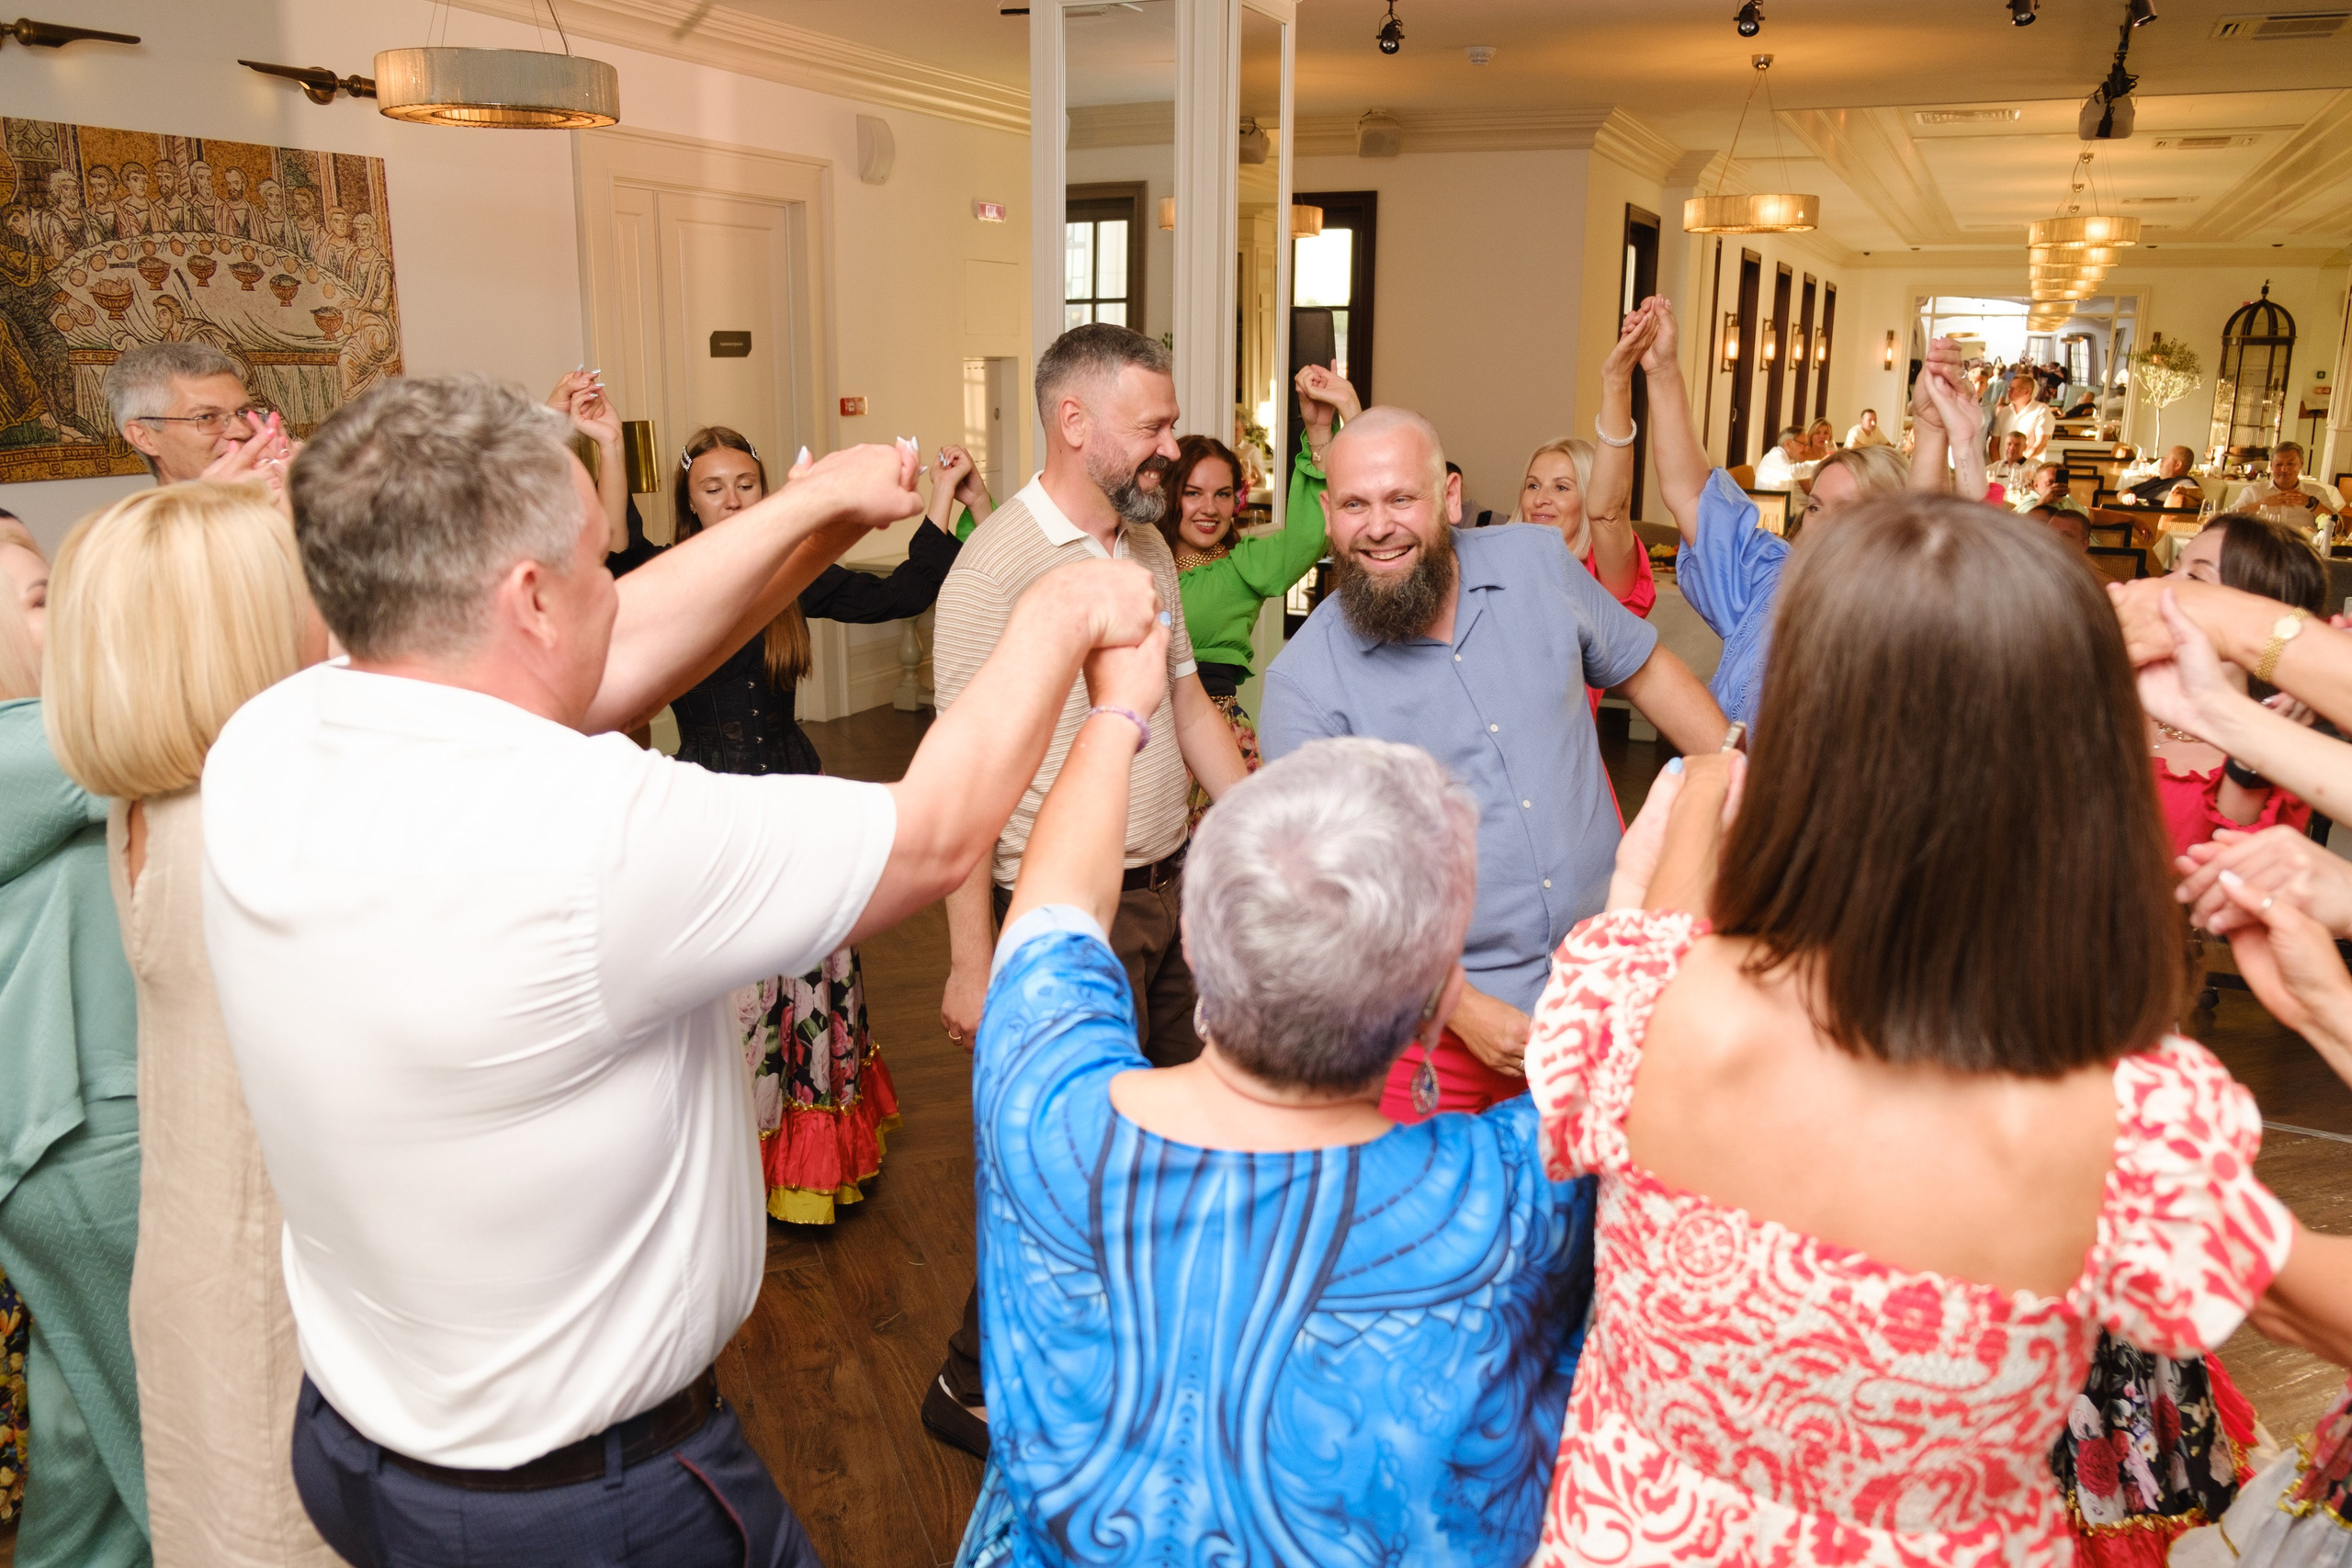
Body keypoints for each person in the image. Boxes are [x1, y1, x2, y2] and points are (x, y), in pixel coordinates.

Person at [200, 372, 1166, 1565]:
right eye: (596, 565)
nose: (620, 589)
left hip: (361, 1445)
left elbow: (602, 655)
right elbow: (933, 834)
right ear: (529, 598)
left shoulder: (273, 733)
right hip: (580, 1512)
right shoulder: (589, 832)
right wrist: (1060, 615)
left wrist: (811, 511)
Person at [1523, 495, 2313, 1566]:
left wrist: (1706, 787)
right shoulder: (2130, 1124)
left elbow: (1649, 942)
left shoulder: (1636, 995)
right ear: (2076, 760)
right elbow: (2300, 1307)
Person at [954, 722, 1599, 1568]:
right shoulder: (1522, 1197)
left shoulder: (1041, 1107)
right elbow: (1635, 1036)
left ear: (1193, 941)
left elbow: (1055, 904)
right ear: (1441, 1004)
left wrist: (1116, 718)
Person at [924, 321, 1249, 1460]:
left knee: (1171, 1138)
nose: (1170, 447)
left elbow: (1190, 704)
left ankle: (1138, 1358)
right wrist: (971, 961)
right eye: (1151, 426)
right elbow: (959, 786)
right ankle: (972, 1382)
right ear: (1074, 423)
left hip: (1169, 894)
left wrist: (1257, 832)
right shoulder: (994, 569)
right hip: (1065, 919)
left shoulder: (1144, 545)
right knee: (1056, 1162)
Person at [1259, 403, 1728, 1126]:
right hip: (1436, 1038)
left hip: (1609, 991)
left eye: (1401, 498)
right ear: (1328, 515)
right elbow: (1326, 898)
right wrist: (1458, 1005)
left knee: (1613, 1192)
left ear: (1449, 497)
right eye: (1355, 505)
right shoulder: (1303, 684)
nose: (1378, 526)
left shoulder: (1537, 564)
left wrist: (1740, 776)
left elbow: (1648, 670)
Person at [43, 479, 337, 1568]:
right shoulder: (237, 824)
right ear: (236, 639)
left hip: (198, 1261)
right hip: (268, 1284)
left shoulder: (156, 807)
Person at [621, 421, 967, 1223]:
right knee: (726, 989)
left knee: (811, 974)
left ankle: (807, 1159)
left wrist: (943, 498)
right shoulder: (666, 574)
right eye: (713, 488)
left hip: (794, 802)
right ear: (688, 503)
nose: (733, 499)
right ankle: (724, 1155)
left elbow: (900, 594)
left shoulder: (793, 573)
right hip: (707, 812)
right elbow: (615, 556)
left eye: (746, 483)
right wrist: (604, 446)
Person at [0, 518, 149, 1568]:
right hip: (79, 1141)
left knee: (84, 1448)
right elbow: (194, 705)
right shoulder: (34, 747)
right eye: (45, 598)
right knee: (181, 1443)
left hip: (56, 1139)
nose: (73, 617)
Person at [1646, 294, 1975, 727]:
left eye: (1850, 510)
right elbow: (1692, 495)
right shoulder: (1771, 580)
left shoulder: (1895, 620)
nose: (1823, 524)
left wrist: (1932, 433)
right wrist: (1662, 370)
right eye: (1817, 507)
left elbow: (1928, 563)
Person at [1155, 406, 1323, 818]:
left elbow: (1310, 535)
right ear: (1170, 494)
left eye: (1222, 494)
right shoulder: (1137, 557)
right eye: (1193, 493)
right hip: (1143, 736)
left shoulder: (1243, 565)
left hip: (1215, 738)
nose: (1209, 508)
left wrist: (1318, 432)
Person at [2150, 513, 2329, 860]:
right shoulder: (2125, 691)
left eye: (2196, 577)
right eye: (2174, 567)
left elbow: (2223, 873)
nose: (2164, 584)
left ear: (2258, 611)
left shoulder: (2273, 745)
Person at [103, 342, 292, 491]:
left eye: (244, 413)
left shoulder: (283, 503)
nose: (242, 431)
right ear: (143, 437)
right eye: (206, 417)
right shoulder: (138, 527)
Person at [2236, 440, 2343, 521]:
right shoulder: (2254, 491)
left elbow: (2337, 527)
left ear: (2301, 464)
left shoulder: (2316, 492)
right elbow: (2230, 518)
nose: (2284, 469)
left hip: (2303, 543)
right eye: (2279, 464)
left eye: (2290, 464)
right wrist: (2261, 503)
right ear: (2271, 466)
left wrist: (2312, 503)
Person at [1987, 368, 2054, 463]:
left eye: (2013, 389)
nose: (2009, 392)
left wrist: (2020, 465)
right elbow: (1994, 444)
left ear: (2027, 391)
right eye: (2009, 388)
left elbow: (2041, 443)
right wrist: (2000, 466)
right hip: (2004, 468)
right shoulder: (2004, 412)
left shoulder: (2041, 410)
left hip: (2029, 468)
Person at [2125, 445, 2204, 509]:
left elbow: (2201, 494)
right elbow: (2124, 491)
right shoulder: (2156, 480)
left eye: (2166, 458)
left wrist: (2185, 491)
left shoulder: (2182, 481)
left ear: (2178, 465)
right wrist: (2126, 497)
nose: (2161, 460)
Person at [1751, 425, 1812, 492]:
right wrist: (1818, 466)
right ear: (1787, 444)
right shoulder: (1775, 455)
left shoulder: (1790, 459)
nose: (1806, 449)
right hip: (1769, 499)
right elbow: (1790, 473)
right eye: (1803, 444)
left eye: (1807, 444)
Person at [2021, 460, 2090, 517]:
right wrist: (2042, 502)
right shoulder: (2029, 504)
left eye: (2060, 482)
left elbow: (2090, 516)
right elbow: (2024, 522)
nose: (2056, 486)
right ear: (2036, 485)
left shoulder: (2067, 500)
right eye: (2050, 482)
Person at [1987, 430, 2038, 500]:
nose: (2012, 448)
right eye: (2009, 444)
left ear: (2025, 447)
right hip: (1997, 503)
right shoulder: (1995, 467)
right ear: (2004, 446)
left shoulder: (2034, 466)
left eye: (2017, 445)